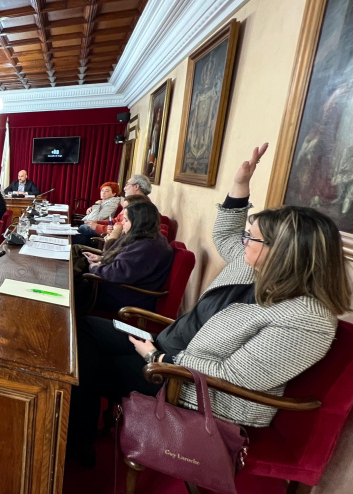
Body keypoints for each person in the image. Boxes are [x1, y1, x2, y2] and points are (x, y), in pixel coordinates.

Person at [68, 143, 353, 466]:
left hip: (187, 384)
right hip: (162, 346)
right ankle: (81, 432)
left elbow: (232, 376)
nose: (243, 242)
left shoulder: (306, 319)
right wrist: (240, 186)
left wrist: (158, 356)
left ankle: (78, 449)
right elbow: (226, 234)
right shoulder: (251, 267)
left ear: (284, 253)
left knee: (81, 367)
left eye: (253, 238)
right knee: (83, 328)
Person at [73, 201, 173, 313]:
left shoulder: (147, 246)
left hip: (122, 295)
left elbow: (118, 272)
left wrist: (95, 268)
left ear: (138, 222)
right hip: (117, 285)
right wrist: (100, 259)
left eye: (125, 220)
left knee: (73, 286)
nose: (122, 223)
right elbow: (123, 260)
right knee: (76, 265)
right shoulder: (143, 236)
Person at [73, 188, 140, 245]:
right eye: (102, 190)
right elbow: (114, 220)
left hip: (110, 234)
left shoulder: (112, 204)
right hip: (109, 229)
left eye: (107, 191)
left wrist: (97, 225)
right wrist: (96, 221)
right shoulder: (102, 202)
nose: (103, 193)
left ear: (113, 194)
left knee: (83, 228)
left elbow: (119, 229)